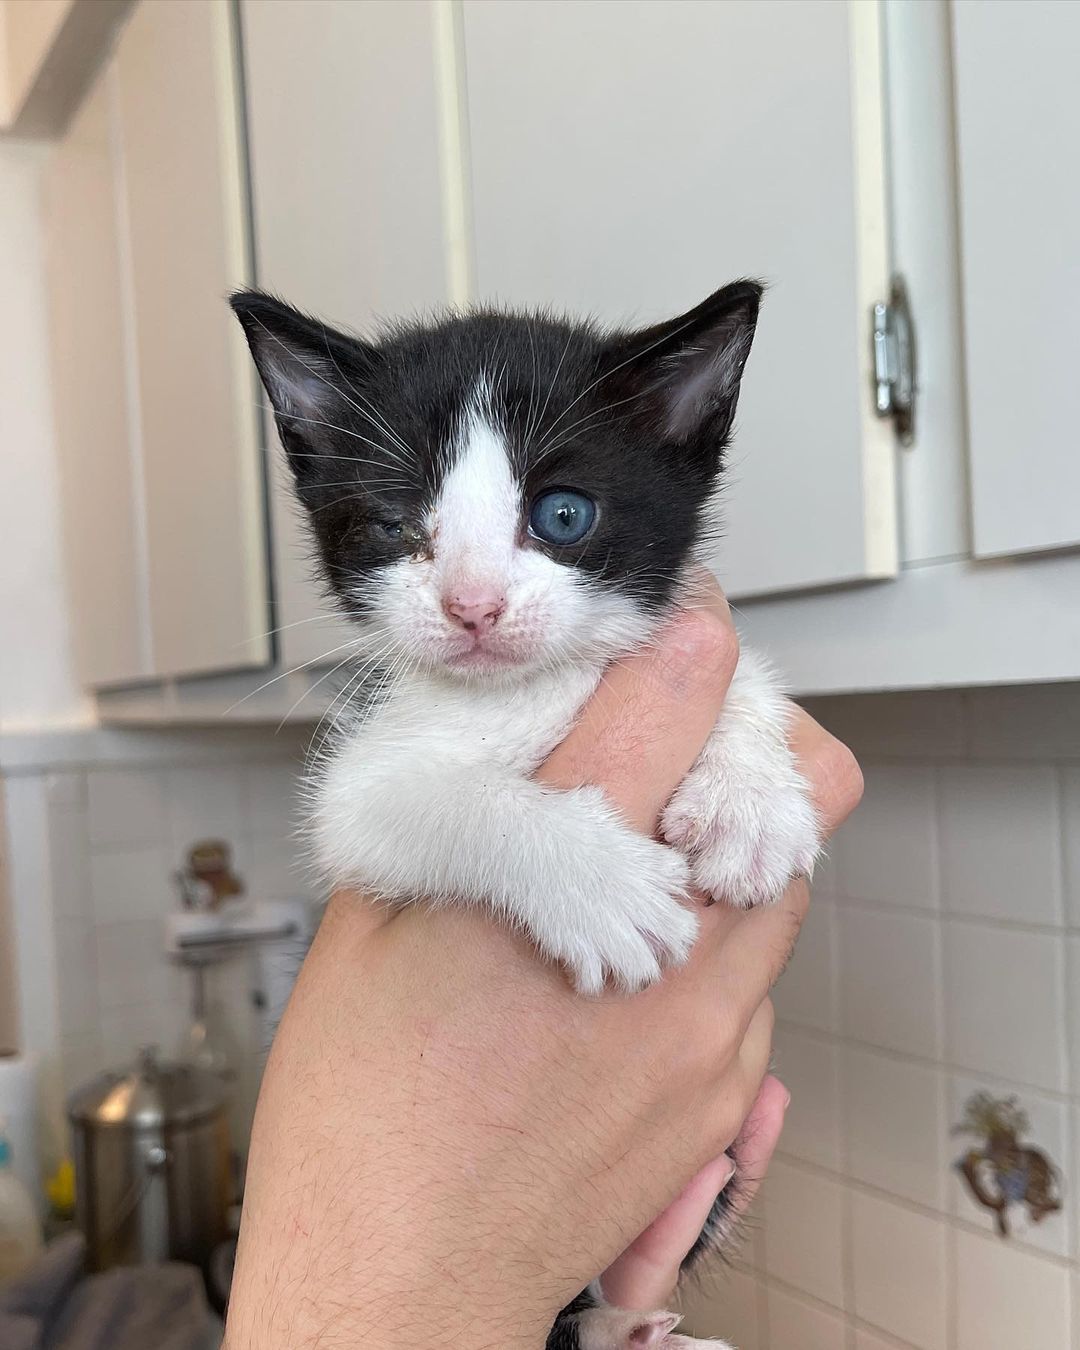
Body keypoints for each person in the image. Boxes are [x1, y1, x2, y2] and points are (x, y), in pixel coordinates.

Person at [225, 583, 862, 1349]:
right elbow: (362, 818)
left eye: (561, 517)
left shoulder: (635, 646)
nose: (472, 598)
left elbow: (746, 708)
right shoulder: (447, 697)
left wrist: (745, 760)